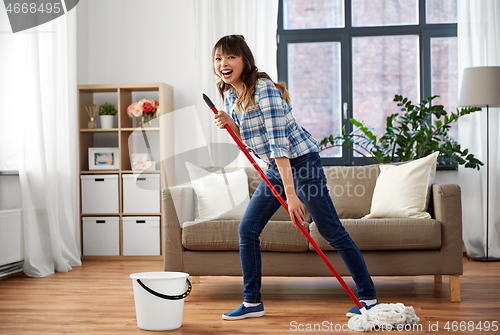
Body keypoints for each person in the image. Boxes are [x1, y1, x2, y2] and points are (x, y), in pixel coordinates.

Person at [212, 34, 378, 321]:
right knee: (247, 229)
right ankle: (252, 303)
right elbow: (252, 141)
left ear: (244, 61)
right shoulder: (230, 95)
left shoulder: (263, 89)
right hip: (278, 167)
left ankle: (369, 297)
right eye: (218, 58)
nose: (223, 63)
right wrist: (230, 123)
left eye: (230, 57)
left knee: (331, 231)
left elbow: (279, 145)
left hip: (303, 163)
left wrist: (291, 196)